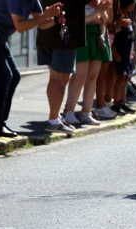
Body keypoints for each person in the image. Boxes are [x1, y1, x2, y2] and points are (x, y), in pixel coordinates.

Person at [0, 0, 62, 137]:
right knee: (3, 76)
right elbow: (20, 26)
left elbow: (42, 24)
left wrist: (57, 18)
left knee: (14, 75)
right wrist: (45, 15)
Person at [37, 0, 100, 134]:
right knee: (59, 80)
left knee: (54, 78)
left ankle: (55, 117)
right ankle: (53, 120)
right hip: (64, 33)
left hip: (47, 32)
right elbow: (94, 3)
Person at [63, 0, 112, 126]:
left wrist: (101, 11)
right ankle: (69, 112)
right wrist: (95, 13)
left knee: (92, 77)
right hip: (81, 35)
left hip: (96, 36)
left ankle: (86, 113)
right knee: (79, 76)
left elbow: (105, 19)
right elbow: (78, 20)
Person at [109, 0, 136, 115]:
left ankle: (122, 101)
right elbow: (112, 36)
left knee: (125, 77)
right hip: (121, 53)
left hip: (127, 53)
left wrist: (132, 50)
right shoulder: (118, 18)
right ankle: (116, 103)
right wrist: (115, 52)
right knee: (120, 77)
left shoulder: (127, 17)